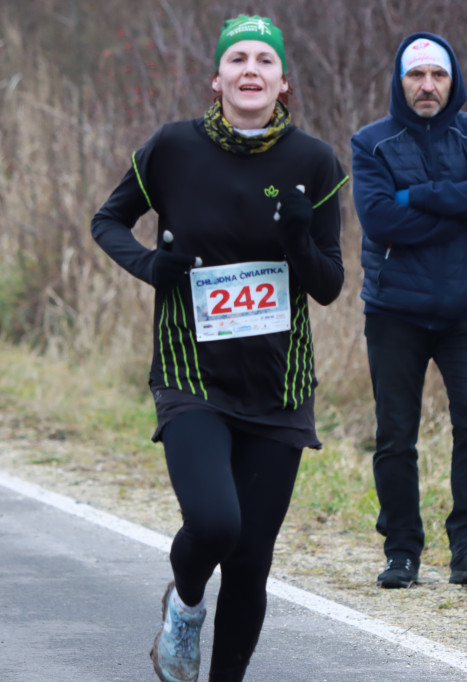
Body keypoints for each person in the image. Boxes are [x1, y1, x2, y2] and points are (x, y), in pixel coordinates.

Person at [90, 14, 347, 682]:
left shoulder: (314, 162)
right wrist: (151, 267)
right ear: (217, 78)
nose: (251, 70)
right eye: (238, 59)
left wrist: (298, 241)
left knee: (253, 560)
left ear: (283, 81)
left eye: (265, 59)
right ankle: (184, 606)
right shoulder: (172, 149)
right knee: (214, 524)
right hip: (190, 374)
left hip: (279, 386)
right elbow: (107, 221)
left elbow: (328, 287)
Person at [350, 33, 467, 589]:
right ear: (400, 82)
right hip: (395, 311)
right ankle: (402, 551)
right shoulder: (371, 143)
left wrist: (419, 195)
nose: (427, 86)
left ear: (452, 81)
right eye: (416, 76)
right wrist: (462, 206)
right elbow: (380, 221)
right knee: (396, 434)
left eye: (437, 76)